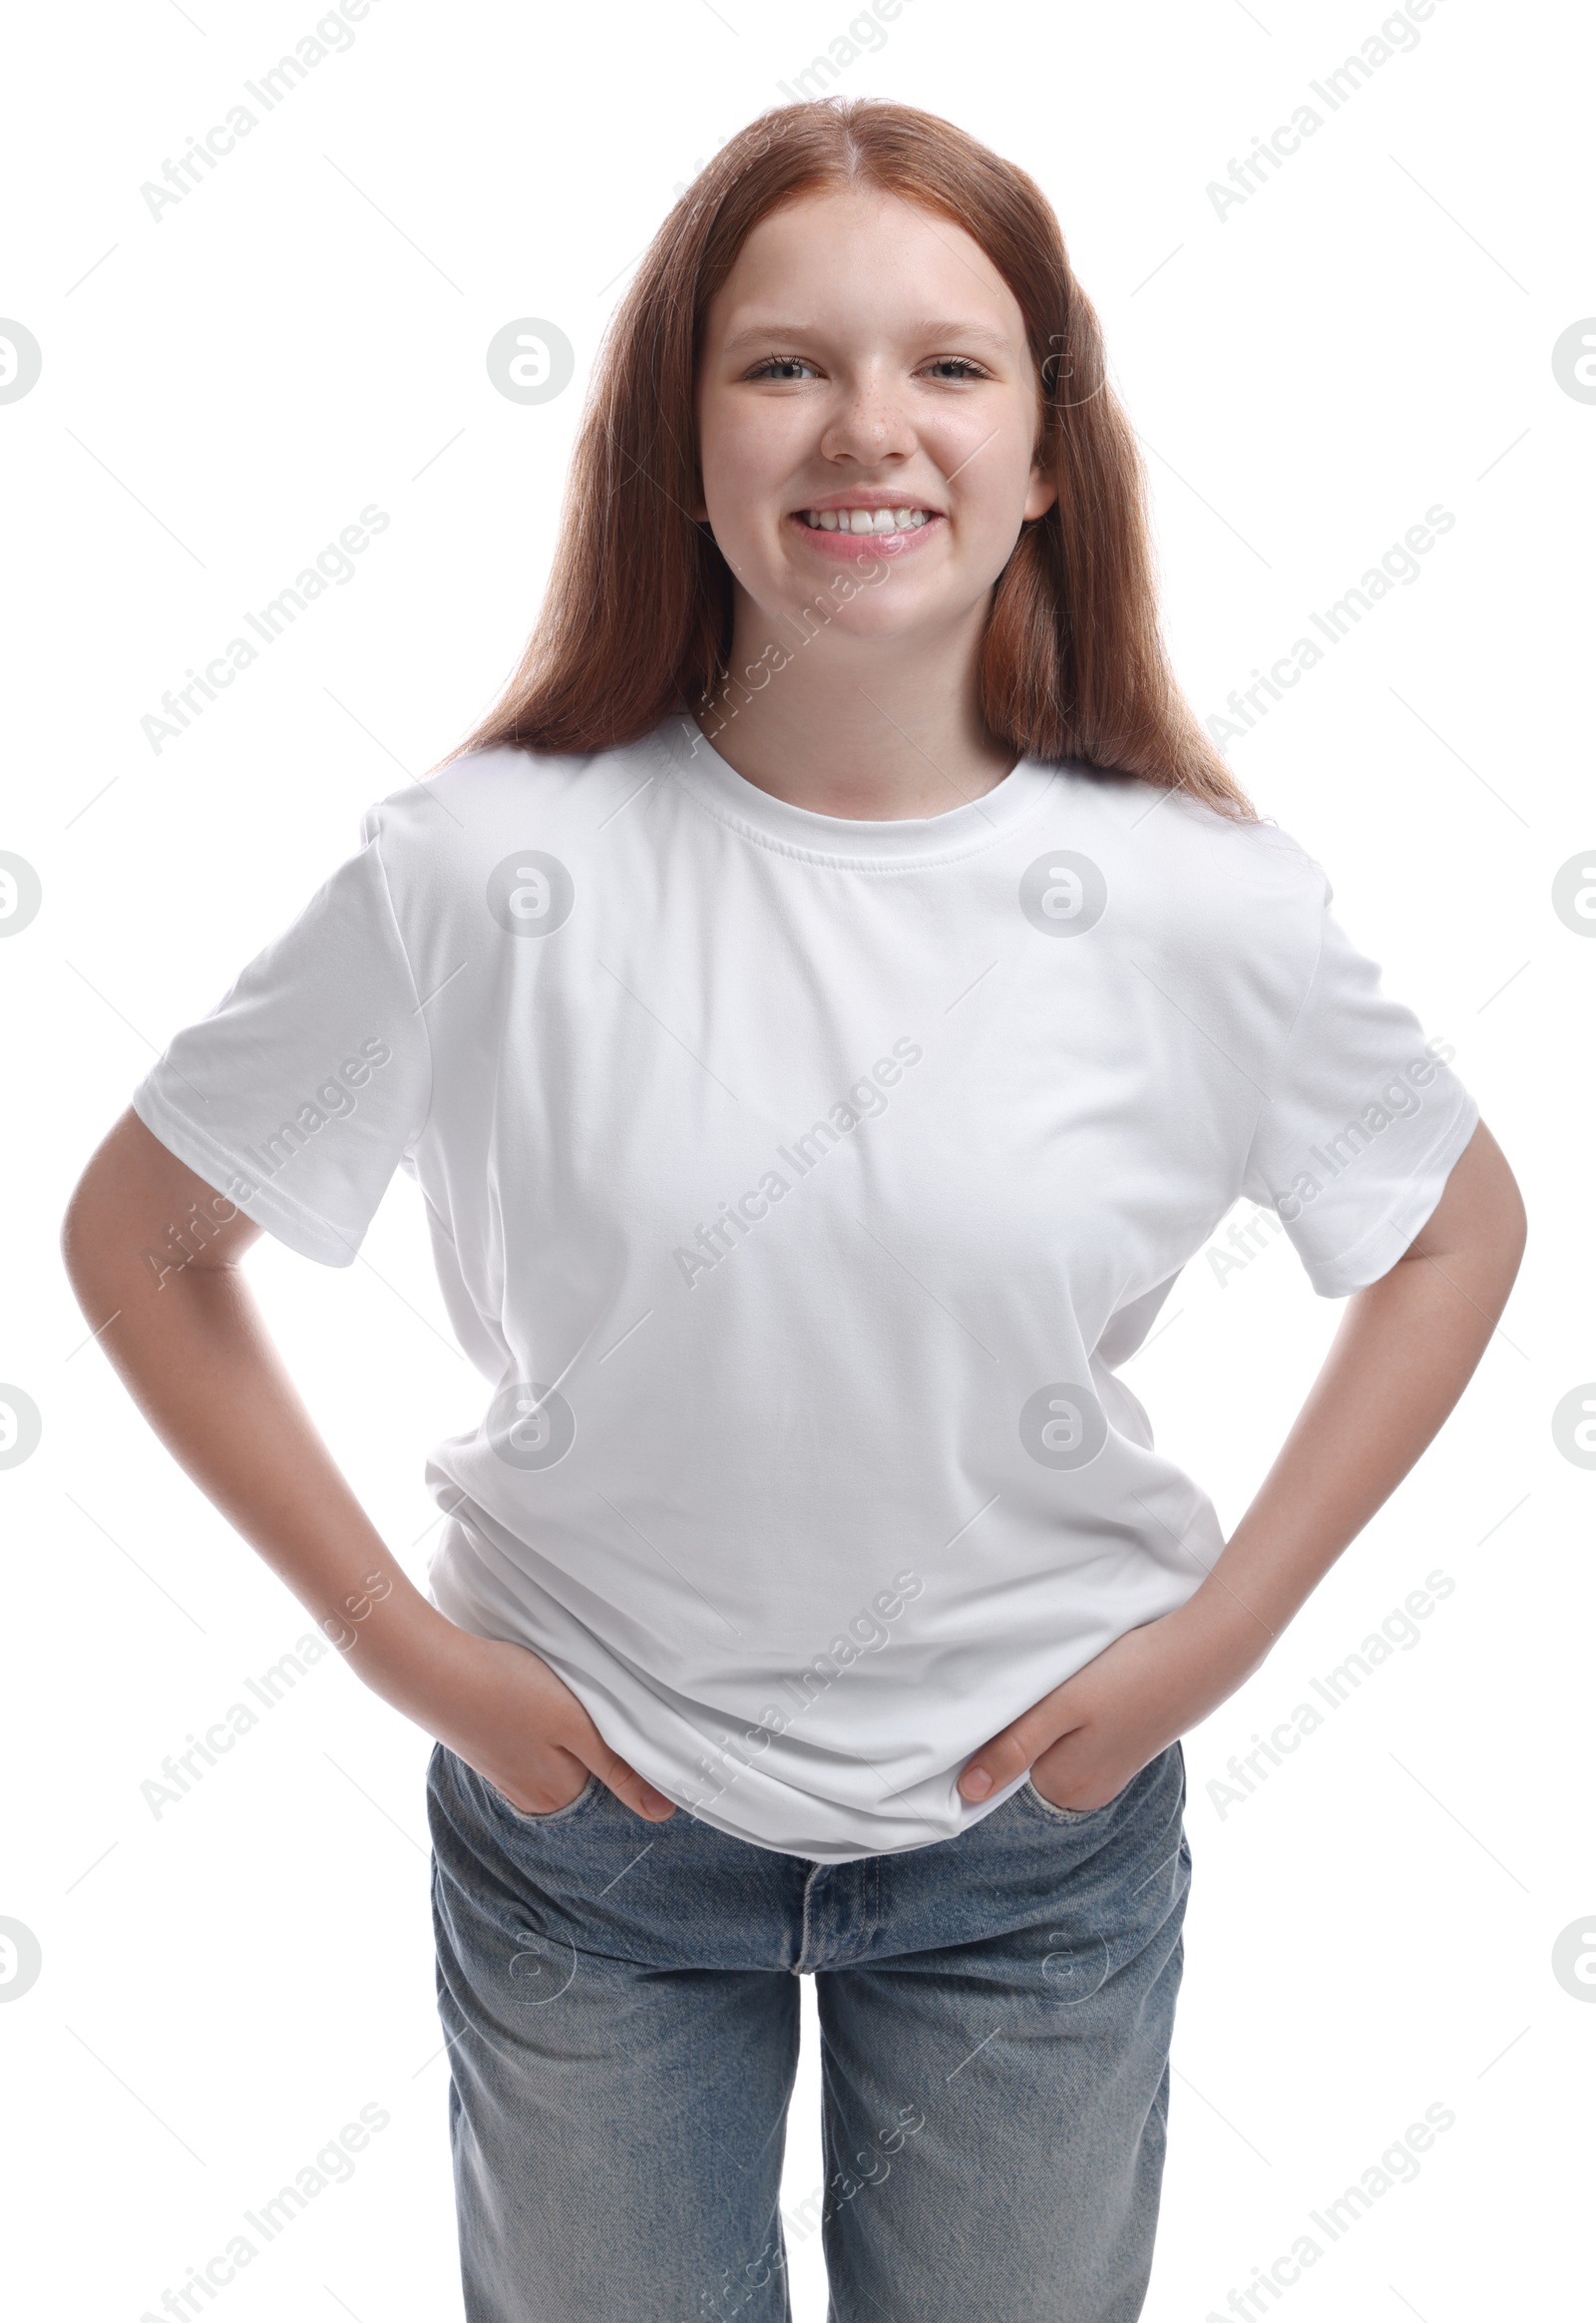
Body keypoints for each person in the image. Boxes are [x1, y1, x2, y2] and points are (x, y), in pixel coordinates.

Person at [62, 97, 1525, 2323]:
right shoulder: (489, 867)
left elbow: (1450, 1227)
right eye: (783, 364)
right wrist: (403, 1650)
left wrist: (1215, 1637)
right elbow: (143, 1236)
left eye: (948, 363)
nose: (869, 428)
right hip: (594, 1839)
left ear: (1048, 446)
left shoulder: (1194, 905)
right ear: (678, 432)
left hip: (1027, 1846)